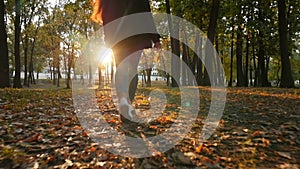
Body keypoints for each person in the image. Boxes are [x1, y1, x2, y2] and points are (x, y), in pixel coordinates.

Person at [91, 0, 161, 124]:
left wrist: (109, 38)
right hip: (137, 35)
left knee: (121, 69)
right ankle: (128, 104)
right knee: (132, 70)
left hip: (118, 37)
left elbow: (106, 15)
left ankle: (123, 101)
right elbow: (146, 14)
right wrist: (155, 39)